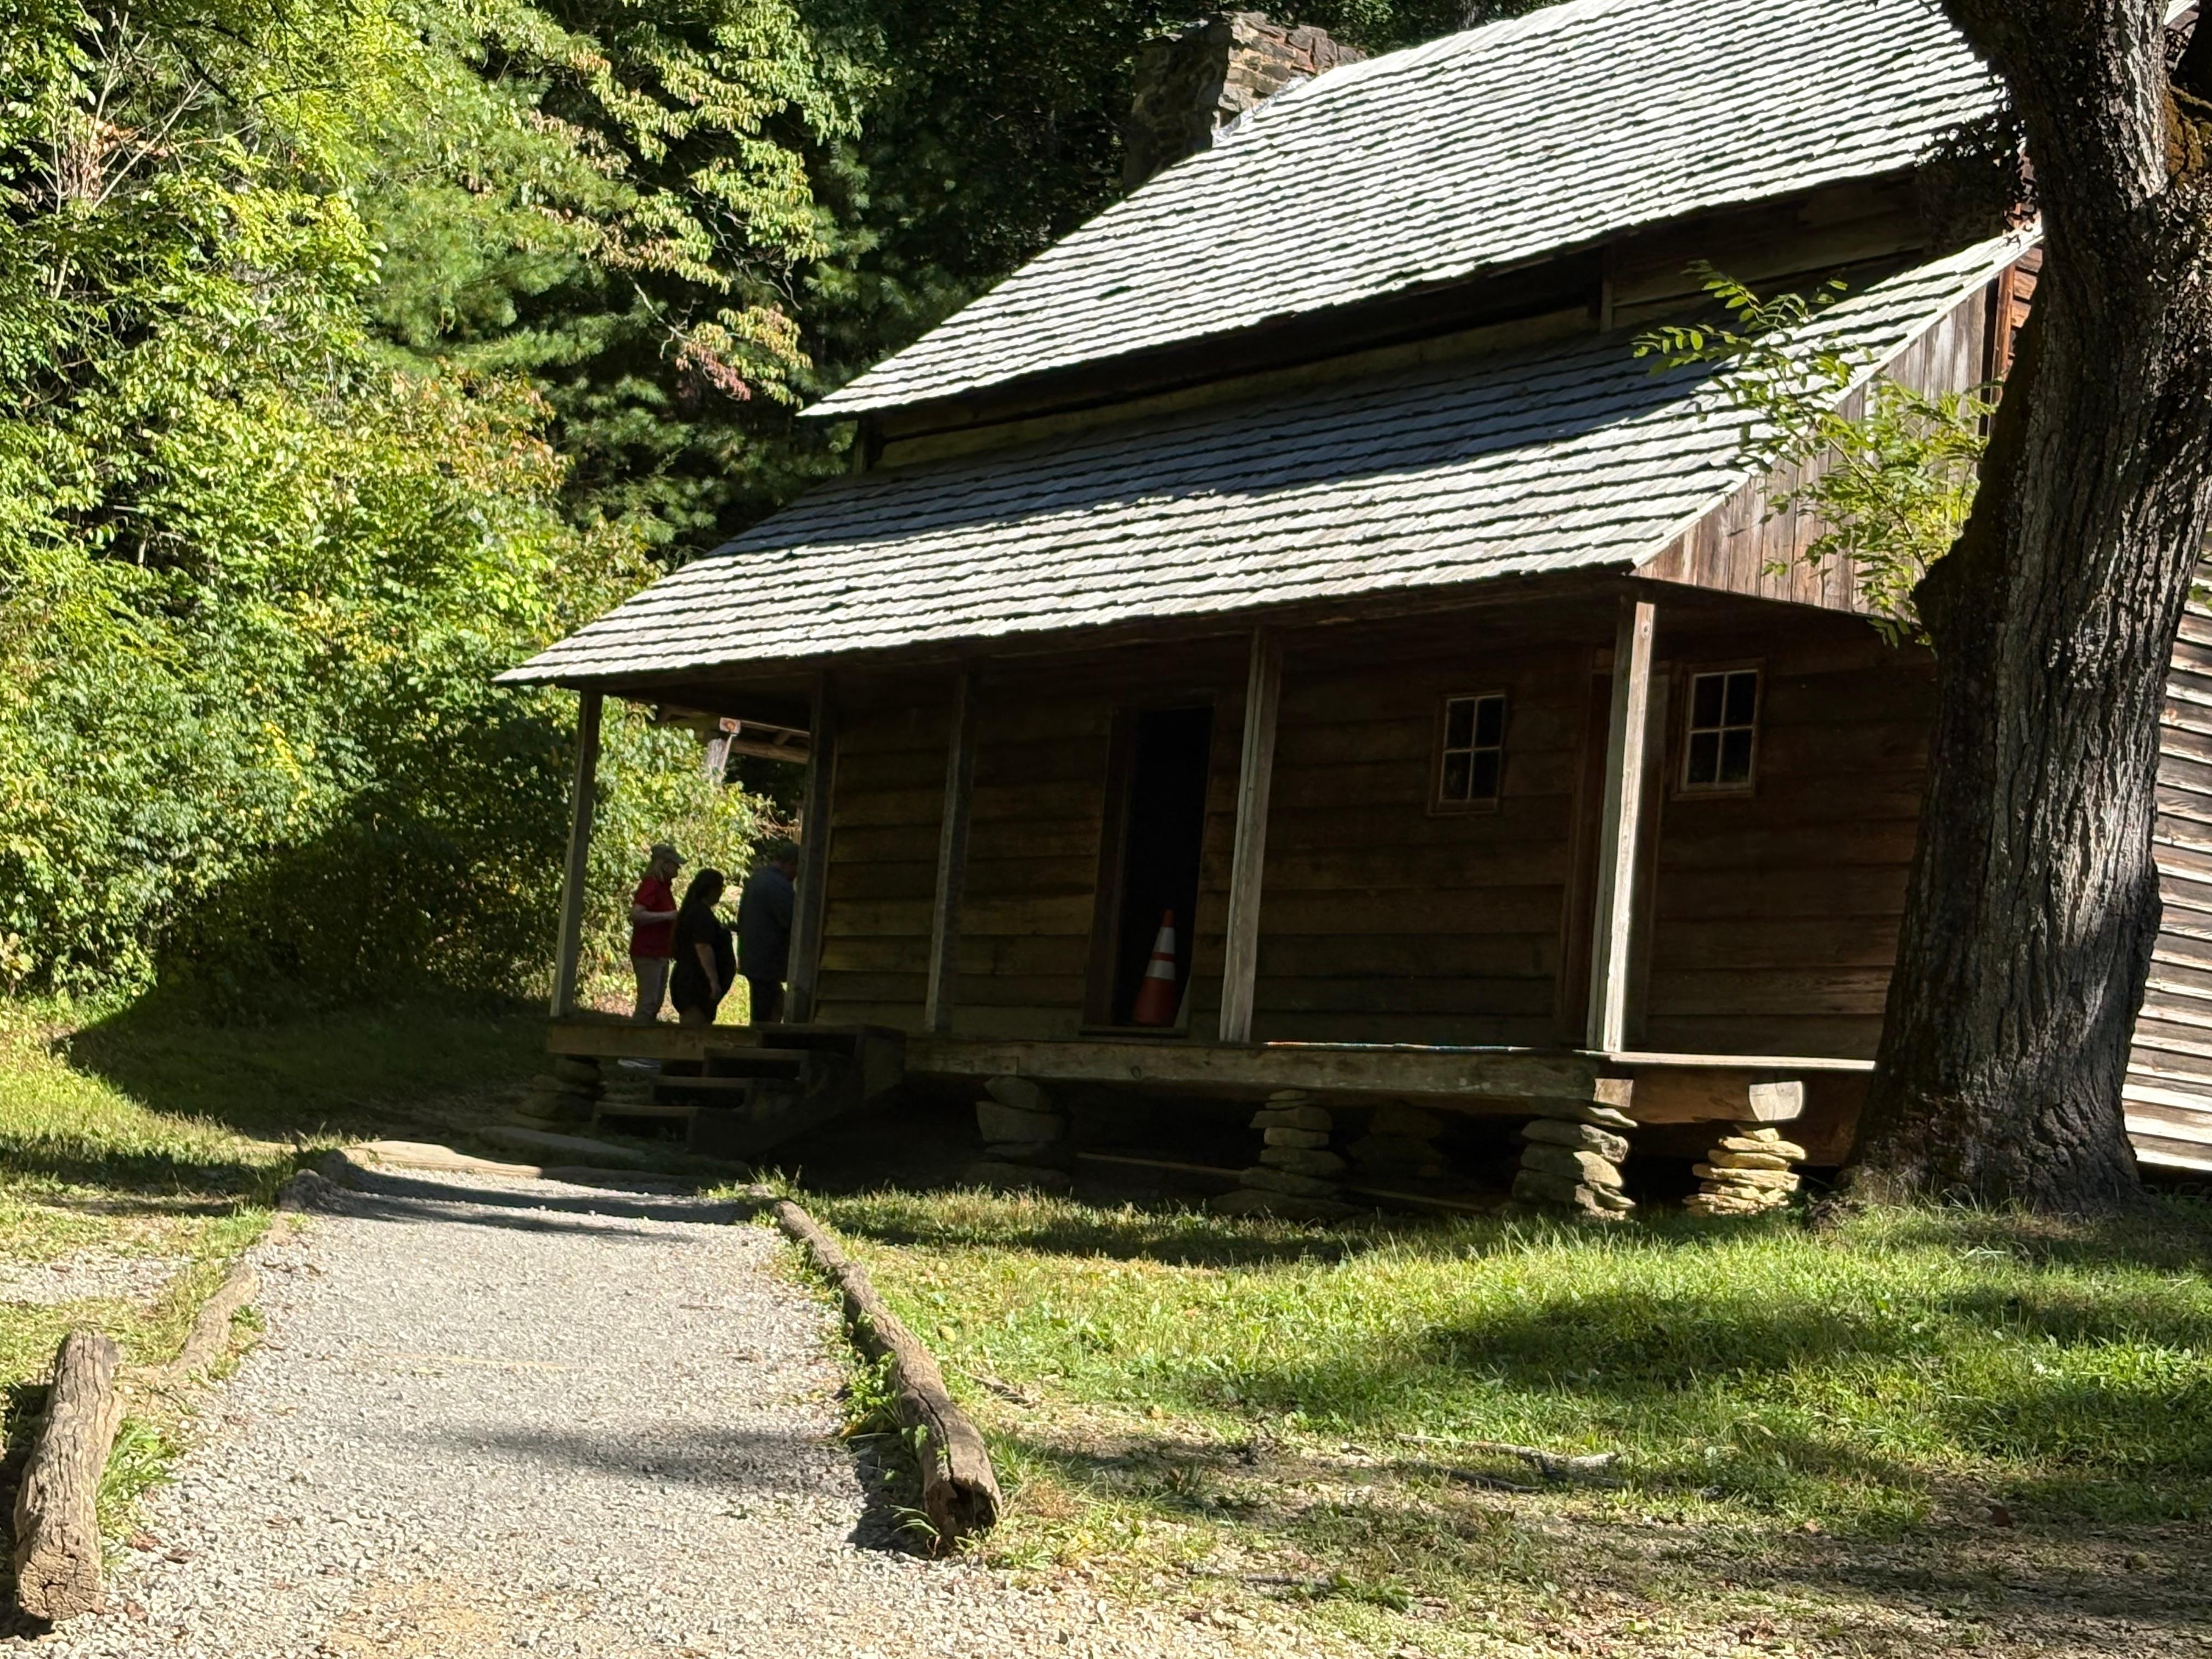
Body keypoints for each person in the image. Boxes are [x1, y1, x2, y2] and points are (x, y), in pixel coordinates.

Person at [736, 839, 799, 1024]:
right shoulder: (779, 885)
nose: (797, 875)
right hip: (767, 961)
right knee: (765, 1011)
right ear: (791, 863)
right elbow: (792, 920)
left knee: (770, 1003)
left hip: (753, 957)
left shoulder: (757, 879)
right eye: (797, 869)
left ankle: (764, 1043)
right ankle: (762, 1047)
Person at [669, 868, 736, 1029]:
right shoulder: (700, 915)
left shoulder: (697, 912)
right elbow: (703, 947)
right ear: (712, 889)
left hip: (695, 981)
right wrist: (713, 981)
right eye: (720, 889)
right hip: (695, 983)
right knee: (694, 1032)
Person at [629, 843, 682, 1023]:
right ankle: (635, 1043)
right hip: (648, 952)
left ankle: (644, 1042)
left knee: (656, 1002)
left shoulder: (664, 888)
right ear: (664, 864)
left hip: (661, 952)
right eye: (675, 864)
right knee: (648, 1003)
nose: (678, 868)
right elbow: (637, 914)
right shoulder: (651, 885)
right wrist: (668, 916)